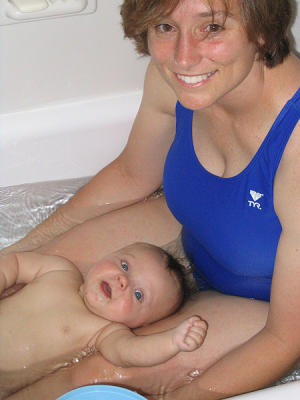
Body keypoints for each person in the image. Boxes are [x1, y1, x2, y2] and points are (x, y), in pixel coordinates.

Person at [2, 0, 300, 398]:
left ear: (263, 29)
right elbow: (131, 175)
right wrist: (21, 248)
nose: (183, 56)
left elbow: (284, 339)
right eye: (164, 26)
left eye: (211, 28)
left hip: (265, 309)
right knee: (37, 283)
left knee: (97, 373)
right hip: (190, 233)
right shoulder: (176, 76)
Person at [0, 242, 207, 399]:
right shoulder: (59, 270)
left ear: (140, 324)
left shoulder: (105, 332)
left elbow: (130, 352)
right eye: (125, 265)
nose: (123, 280)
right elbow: (15, 264)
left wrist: (171, 342)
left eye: (138, 295)